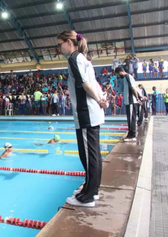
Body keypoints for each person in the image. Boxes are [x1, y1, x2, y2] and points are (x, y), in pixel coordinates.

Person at [57, 30, 108, 208]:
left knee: (88, 155)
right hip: (91, 112)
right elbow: (93, 83)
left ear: (69, 42)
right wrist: (101, 98)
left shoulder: (73, 58)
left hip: (86, 112)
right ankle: (91, 189)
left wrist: (99, 99)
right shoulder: (84, 58)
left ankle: (88, 197)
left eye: (60, 43)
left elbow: (85, 84)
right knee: (92, 154)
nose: (59, 47)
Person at [115, 66, 142, 142]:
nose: (118, 76)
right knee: (129, 119)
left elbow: (133, 88)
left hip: (131, 101)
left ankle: (132, 136)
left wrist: (137, 98)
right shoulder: (126, 78)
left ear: (120, 72)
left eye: (117, 74)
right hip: (128, 102)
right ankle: (130, 134)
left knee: (131, 119)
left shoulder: (127, 77)